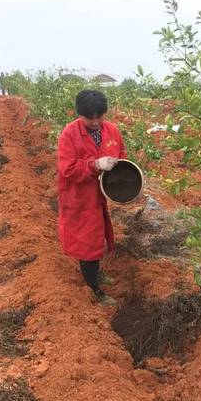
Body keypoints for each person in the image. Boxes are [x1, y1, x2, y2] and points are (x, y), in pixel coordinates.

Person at [57, 90, 127, 306]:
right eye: (90, 118)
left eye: (100, 116)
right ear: (80, 115)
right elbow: (67, 169)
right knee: (87, 243)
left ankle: (97, 272)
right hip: (79, 197)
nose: (96, 122)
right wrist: (95, 164)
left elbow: (122, 156)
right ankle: (94, 289)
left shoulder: (112, 131)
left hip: (101, 194)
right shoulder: (69, 134)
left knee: (99, 236)